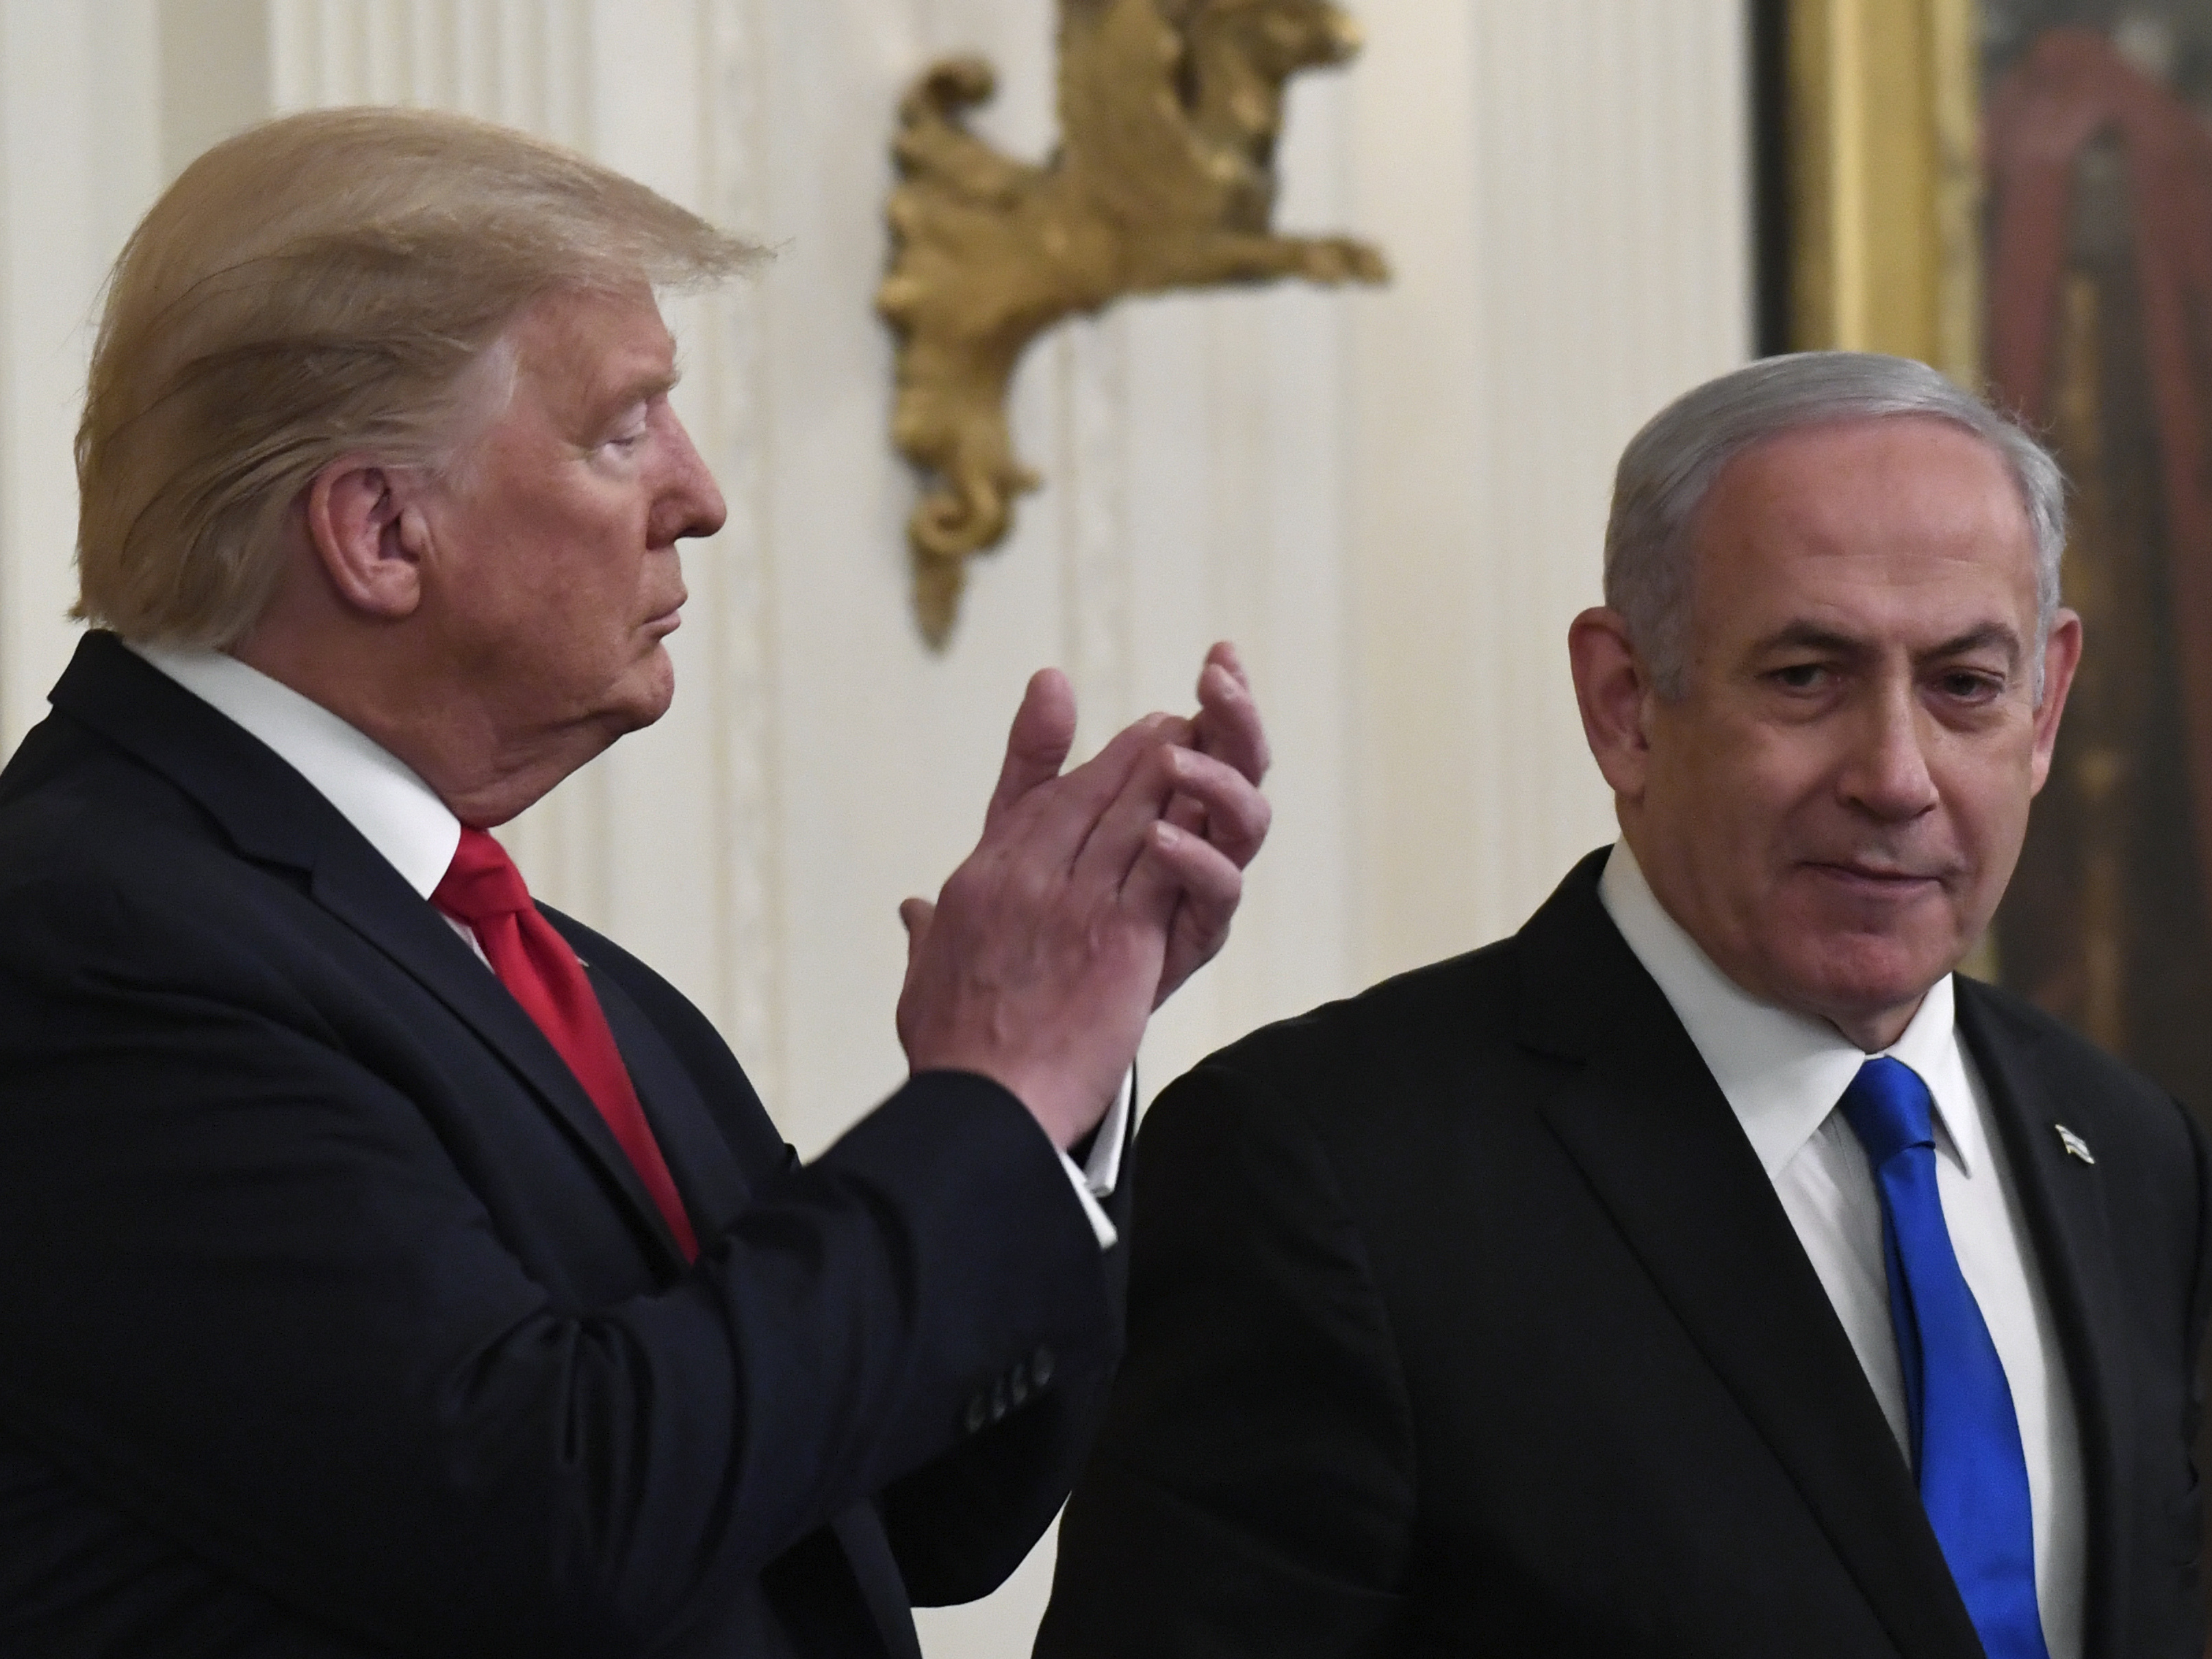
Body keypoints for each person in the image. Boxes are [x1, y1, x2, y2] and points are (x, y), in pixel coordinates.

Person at [0, 107, 1270, 1658]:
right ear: (382, 531)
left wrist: (1056, 1071)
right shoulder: (80, 935)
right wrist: (987, 1107)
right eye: (626, 426)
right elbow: (553, 1515)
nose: (701, 493)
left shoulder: (545, 965)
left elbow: (926, 1513)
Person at [1039, 352, 2212, 1659]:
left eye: (1966, 687)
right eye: (1808, 676)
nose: (1897, 776)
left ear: (2045, 707)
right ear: (1626, 704)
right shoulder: (1328, 1177)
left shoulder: (2133, 1155)